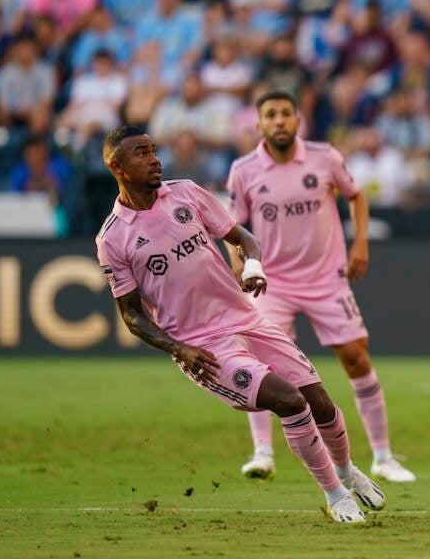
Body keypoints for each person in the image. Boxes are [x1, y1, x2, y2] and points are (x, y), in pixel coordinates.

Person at [94, 125, 385, 523]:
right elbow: (131, 315)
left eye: (153, 150)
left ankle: (348, 471)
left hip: (247, 318)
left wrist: (252, 266)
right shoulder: (113, 238)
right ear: (118, 166)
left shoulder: (186, 193)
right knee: (290, 402)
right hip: (203, 346)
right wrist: (178, 349)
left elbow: (243, 237)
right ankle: (335, 496)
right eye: (141, 153)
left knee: (321, 403)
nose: (154, 159)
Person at [224, 91, 417, 483]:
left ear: (298, 121)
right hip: (271, 284)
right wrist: (240, 269)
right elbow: (233, 229)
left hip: (326, 278)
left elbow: (356, 196)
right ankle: (262, 453)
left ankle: (382, 455)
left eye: (286, 114)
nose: (279, 121)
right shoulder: (244, 170)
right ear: (259, 125)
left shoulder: (323, 157)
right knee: (261, 366)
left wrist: (360, 242)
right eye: (271, 115)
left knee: (356, 358)